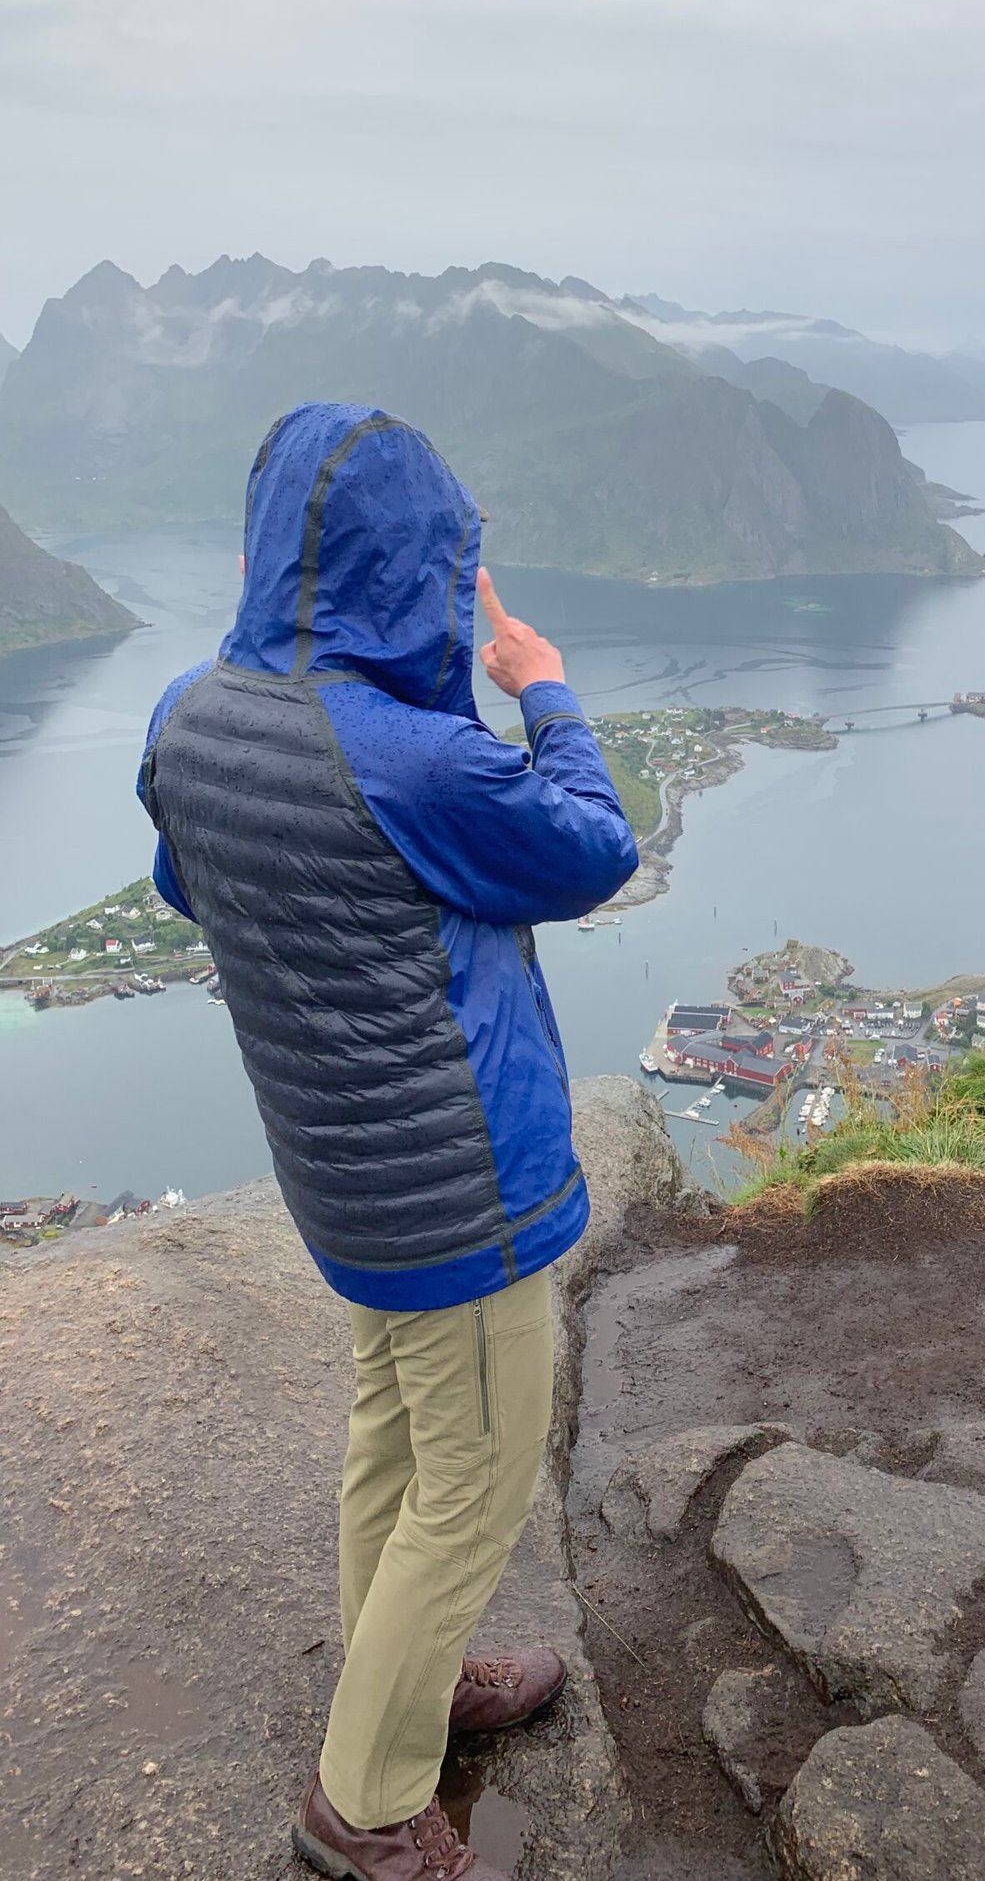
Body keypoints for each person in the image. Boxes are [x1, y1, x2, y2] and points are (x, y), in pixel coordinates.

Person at [137, 402, 639, 1881]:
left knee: (393, 1439)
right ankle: (363, 1810)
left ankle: (402, 1681)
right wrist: (542, 689)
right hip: (458, 1190)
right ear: (418, 568)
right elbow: (590, 845)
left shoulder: (190, 714)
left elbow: (188, 884)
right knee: (474, 1485)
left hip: (339, 1178)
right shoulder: (417, 760)